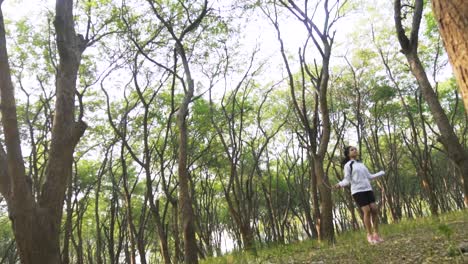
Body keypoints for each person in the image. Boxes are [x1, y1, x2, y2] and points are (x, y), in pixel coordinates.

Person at [334, 146, 385, 244]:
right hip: (357, 191)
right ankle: (369, 235)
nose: (355, 150)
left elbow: (369, 176)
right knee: (367, 211)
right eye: (352, 150)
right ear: (348, 154)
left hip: (368, 189)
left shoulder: (361, 164)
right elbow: (347, 180)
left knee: (374, 209)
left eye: (355, 149)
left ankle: (376, 234)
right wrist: (340, 184)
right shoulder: (348, 165)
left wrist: (381, 173)